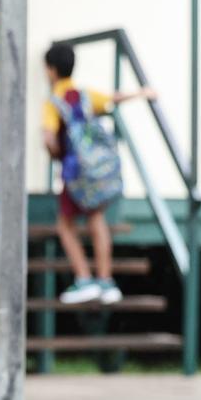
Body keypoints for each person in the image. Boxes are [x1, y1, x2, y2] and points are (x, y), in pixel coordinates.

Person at [43, 43, 155, 305]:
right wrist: (142, 92)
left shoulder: (52, 102)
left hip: (73, 173)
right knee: (96, 218)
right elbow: (112, 98)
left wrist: (56, 154)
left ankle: (84, 278)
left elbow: (49, 138)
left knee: (65, 225)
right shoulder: (84, 94)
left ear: (50, 70)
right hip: (95, 171)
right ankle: (106, 281)